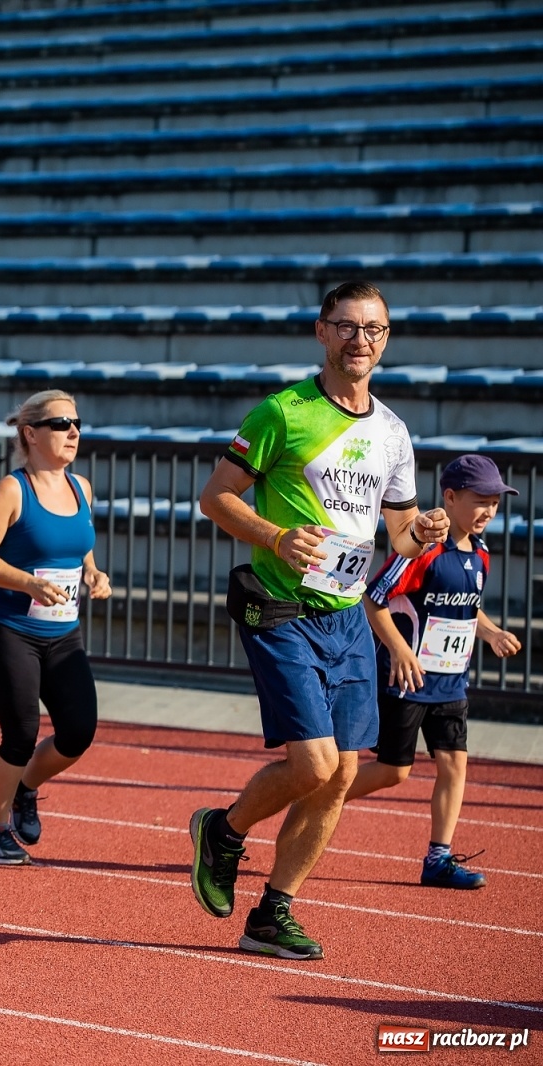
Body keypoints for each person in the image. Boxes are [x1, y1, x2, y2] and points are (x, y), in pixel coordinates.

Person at [190, 280, 448, 961]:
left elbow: (399, 536)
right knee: (313, 763)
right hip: (281, 607)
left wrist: (424, 532)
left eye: (373, 328)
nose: (360, 339)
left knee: (339, 775)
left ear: (386, 339)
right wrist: (276, 536)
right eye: (346, 326)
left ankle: (272, 912)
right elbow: (216, 498)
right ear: (321, 331)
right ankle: (224, 829)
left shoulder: (393, 432)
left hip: (347, 616)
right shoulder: (283, 412)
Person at [345, 454, 522, 889]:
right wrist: (400, 650)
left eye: (495, 502)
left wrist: (492, 632)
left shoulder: (481, 554)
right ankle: (321, 800)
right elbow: (374, 599)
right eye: (480, 500)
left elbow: (467, 609)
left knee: (455, 764)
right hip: (407, 681)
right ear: (450, 498)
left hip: (451, 683)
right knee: (393, 770)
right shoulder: (422, 551)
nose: (488, 510)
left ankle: (438, 859)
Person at [0, 390, 111, 865]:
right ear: (30, 433)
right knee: (20, 736)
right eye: (61, 424)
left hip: (64, 634)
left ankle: (26, 786)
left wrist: (93, 572)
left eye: (77, 423)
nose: (73, 432)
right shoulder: (11, 490)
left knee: (78, 731)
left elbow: (78, 543)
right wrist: (27, 582)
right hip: (12, 630)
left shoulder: (81, 488)